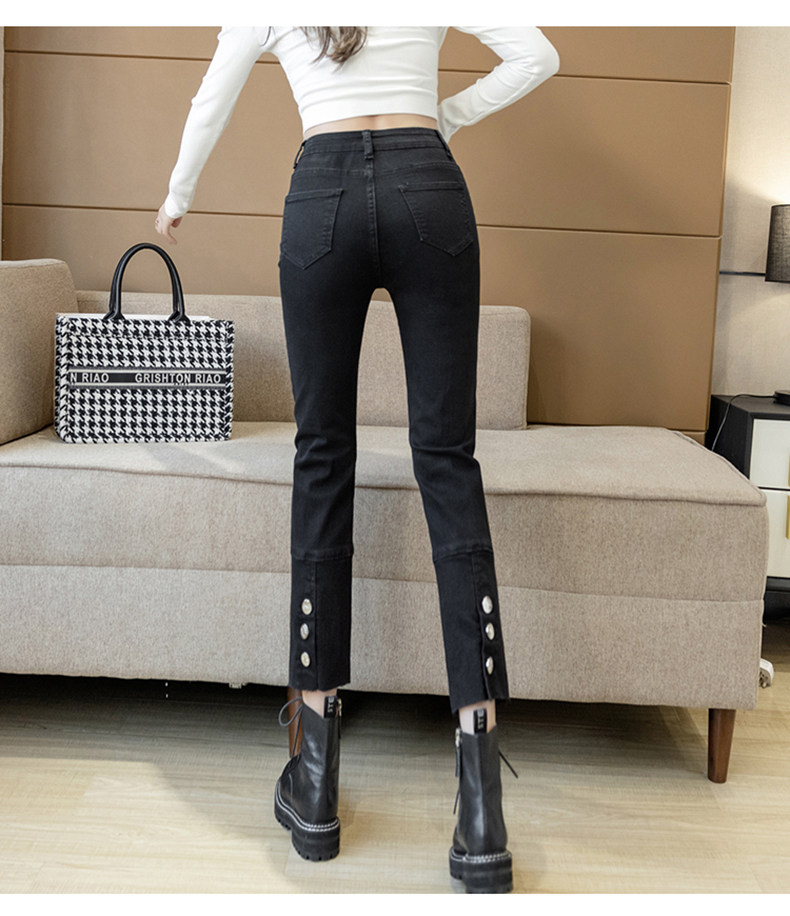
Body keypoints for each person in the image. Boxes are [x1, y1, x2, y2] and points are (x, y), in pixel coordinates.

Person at [156, 26, 559, 893]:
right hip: (430, 190)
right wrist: (445, 116)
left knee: (321, 458)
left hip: (322, 200)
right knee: (447, 461)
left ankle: (314, 788)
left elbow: (211, 95)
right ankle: (481, 815)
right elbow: (537, 54)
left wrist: (177, 195)